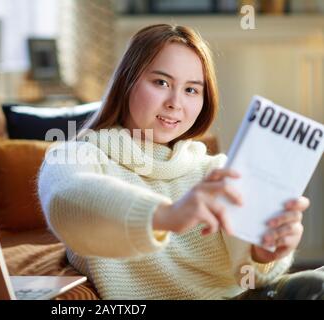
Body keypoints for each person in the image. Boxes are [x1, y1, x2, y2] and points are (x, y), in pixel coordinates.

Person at [37, 24, 323, 299]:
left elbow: (251, 276)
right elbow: (68, 201)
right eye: (161, 82)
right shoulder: (76, 156)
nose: (175, 102)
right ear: (126, 82)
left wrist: (265, 254)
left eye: (191, 90)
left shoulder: (217, 172)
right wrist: (168, 215)